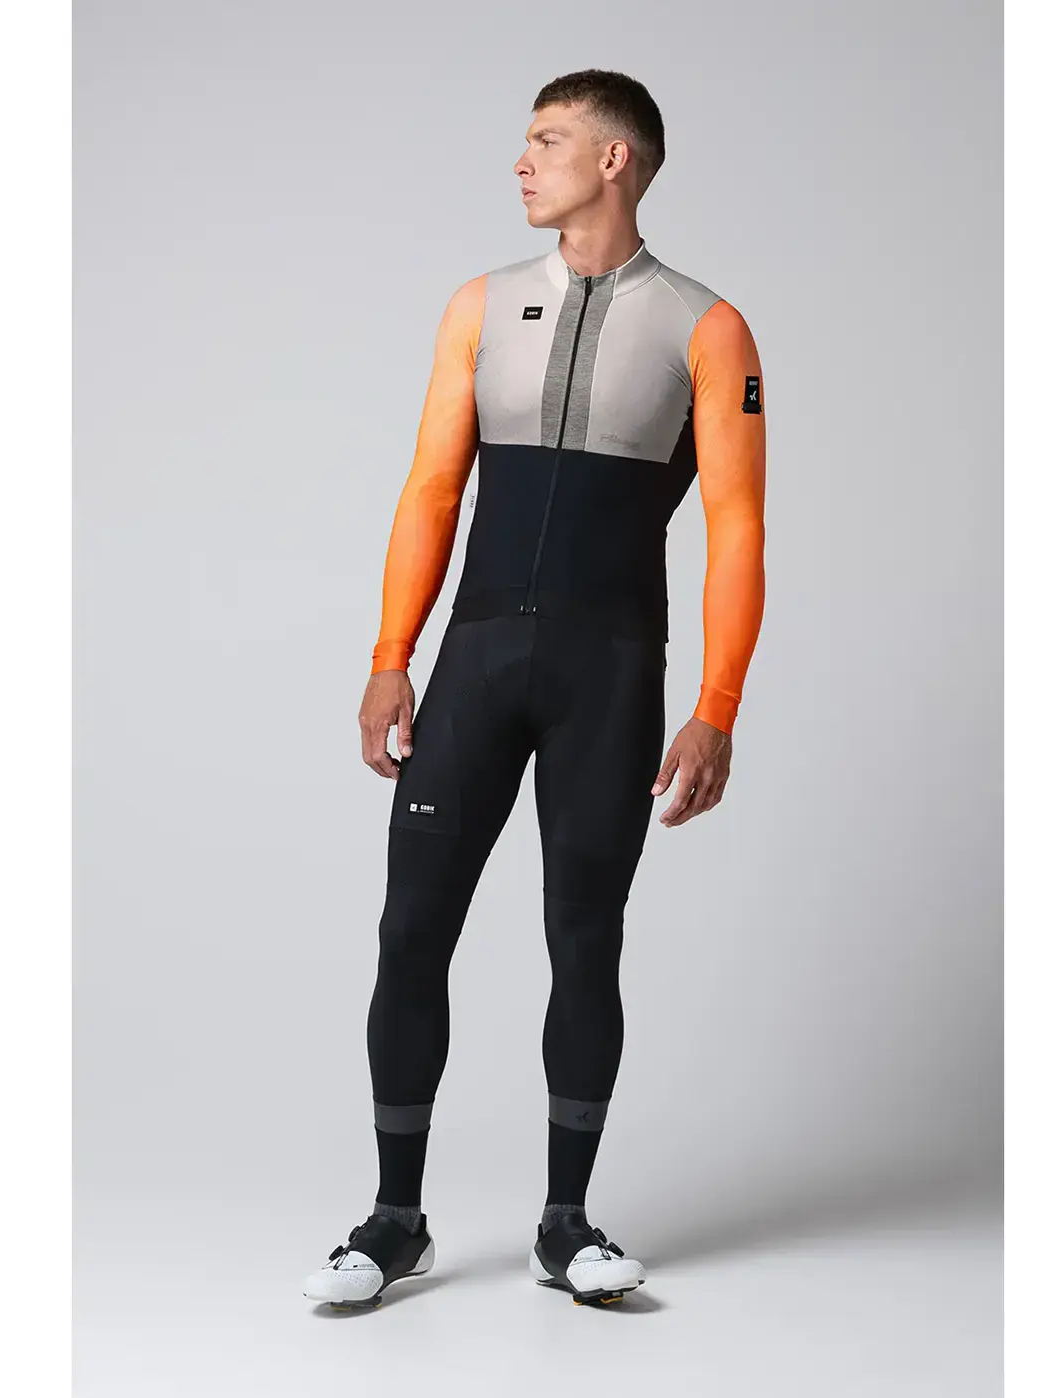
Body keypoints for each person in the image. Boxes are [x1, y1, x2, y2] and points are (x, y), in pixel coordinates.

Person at [303, 67, 766, 1310]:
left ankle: (566, 1225)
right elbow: (431, 490)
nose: (521, 160)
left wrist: (716, 707)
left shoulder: (707, 326)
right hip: (475, 663)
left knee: (585, 940)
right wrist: (389, 657)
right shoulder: (479, 304)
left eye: (547, 140)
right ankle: (394, 1220)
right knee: (411, 931)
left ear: (614, 160)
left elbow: (736, 528)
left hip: (607, 673)